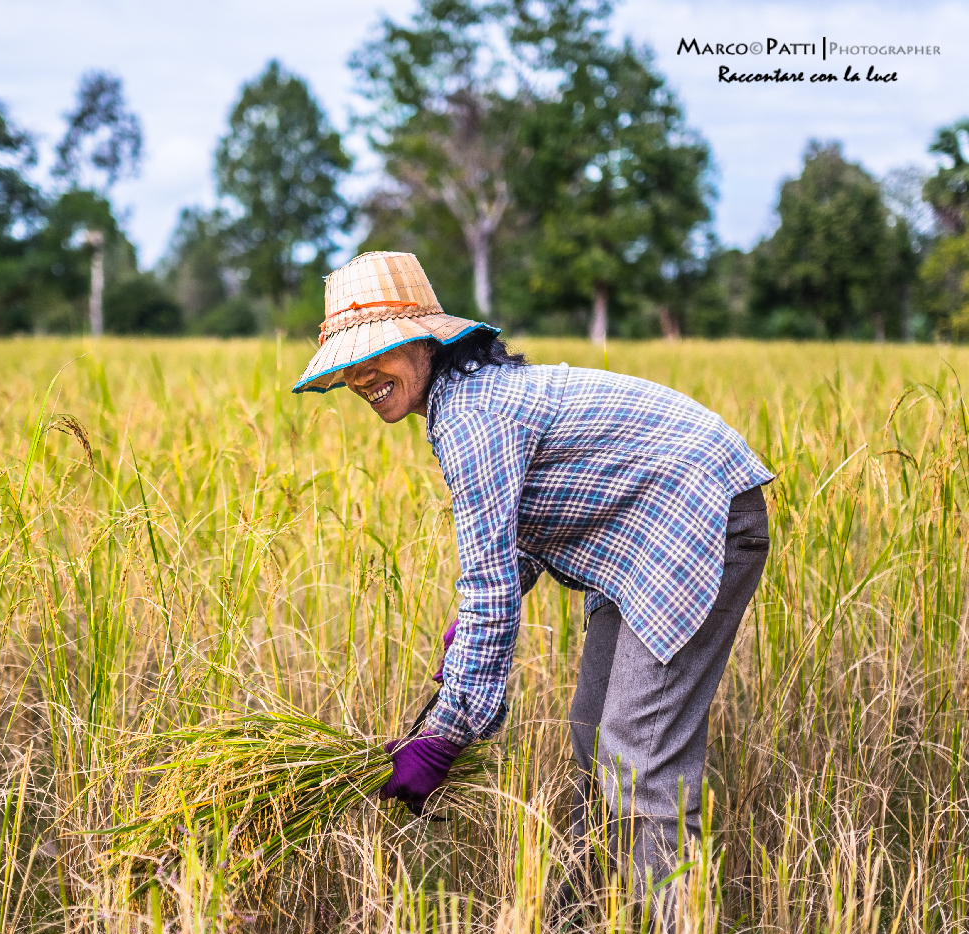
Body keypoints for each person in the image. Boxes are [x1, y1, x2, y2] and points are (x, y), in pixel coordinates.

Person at [291, 251, 772, 894]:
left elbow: (490, 585)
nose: (359, 377)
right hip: (638, 537)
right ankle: (588, 931)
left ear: (425, 341)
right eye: (347, 364)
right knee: (592, 732)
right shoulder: (464, 399)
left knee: (637, 757)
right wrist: (467, 635)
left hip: (698, 515)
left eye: (375, 351)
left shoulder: (471, 415)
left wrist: (445, 732)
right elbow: (519, 542)